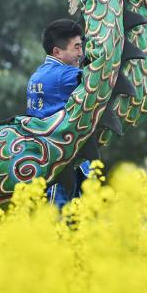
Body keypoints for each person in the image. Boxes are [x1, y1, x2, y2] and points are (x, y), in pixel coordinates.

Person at [27, 19, 88, 207]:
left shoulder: (39, 74)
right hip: (60, 163)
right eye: (76, 47)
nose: (82, 53)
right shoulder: (63, 75)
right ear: (57, 52)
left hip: (41, 159)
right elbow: (100, 77)